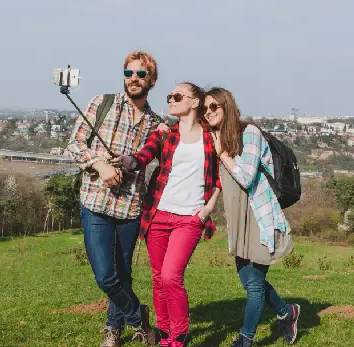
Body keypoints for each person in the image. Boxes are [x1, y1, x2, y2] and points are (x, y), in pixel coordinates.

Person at [66, 51, 167, 347]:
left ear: (151, 80)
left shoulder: (155, 124)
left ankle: (113, 330)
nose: (133, 79)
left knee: (123, 274)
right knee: (104, 276)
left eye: (140, 74)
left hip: (130, 207)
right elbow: (74, 143)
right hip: (95, 203)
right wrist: (100, 165)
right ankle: (139, 318)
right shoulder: (102, 103)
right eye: (128, 73)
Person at [114, 83, 222, 347]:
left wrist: (208, 209)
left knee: (172, 276)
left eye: (177, 96)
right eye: (169, 97)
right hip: (159, 215)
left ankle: (180, 335)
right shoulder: (164, 133)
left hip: (189, 219)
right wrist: (131, 161)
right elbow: (145, 154)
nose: (171, 100)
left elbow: (220, 178)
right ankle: (164, 334)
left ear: (195, 102)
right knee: (158, 277)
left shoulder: (212, 137)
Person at [204, 87, 300, 347]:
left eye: (214, 106)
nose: (209, 112)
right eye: (205, 109)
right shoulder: (215, 137)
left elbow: (246, 177)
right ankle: (287, 312)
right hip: (238, 221)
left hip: (259, 216)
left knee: (255, 286)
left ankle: (245, 340)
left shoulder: (250, 133)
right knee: (250, 283)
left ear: (227, 106)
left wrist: (222, 152)